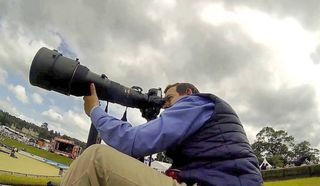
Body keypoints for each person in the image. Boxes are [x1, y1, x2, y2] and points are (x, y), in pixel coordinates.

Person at [61, 83, 263, 186]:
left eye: (169, 99)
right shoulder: (206, 116)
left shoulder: (196, 103)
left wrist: (95, 110)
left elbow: (132, 141)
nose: (165, 106)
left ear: (188, 92)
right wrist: (151, 119)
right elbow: (138, 152)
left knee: (96, 159)